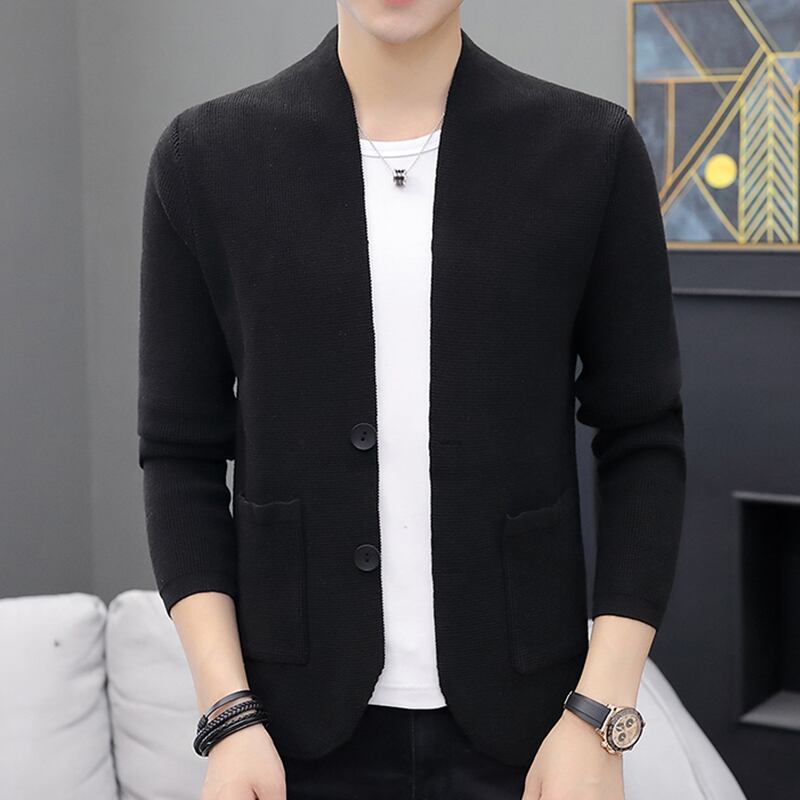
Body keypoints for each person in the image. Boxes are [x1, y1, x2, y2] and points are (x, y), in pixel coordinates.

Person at [137, 2, 686, 798]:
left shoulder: (589, 150)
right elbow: (178, 455)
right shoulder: (205, 159)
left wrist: (599, 716)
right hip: (290, 737)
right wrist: (228, 716)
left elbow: (643, 437)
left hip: (536, 733)